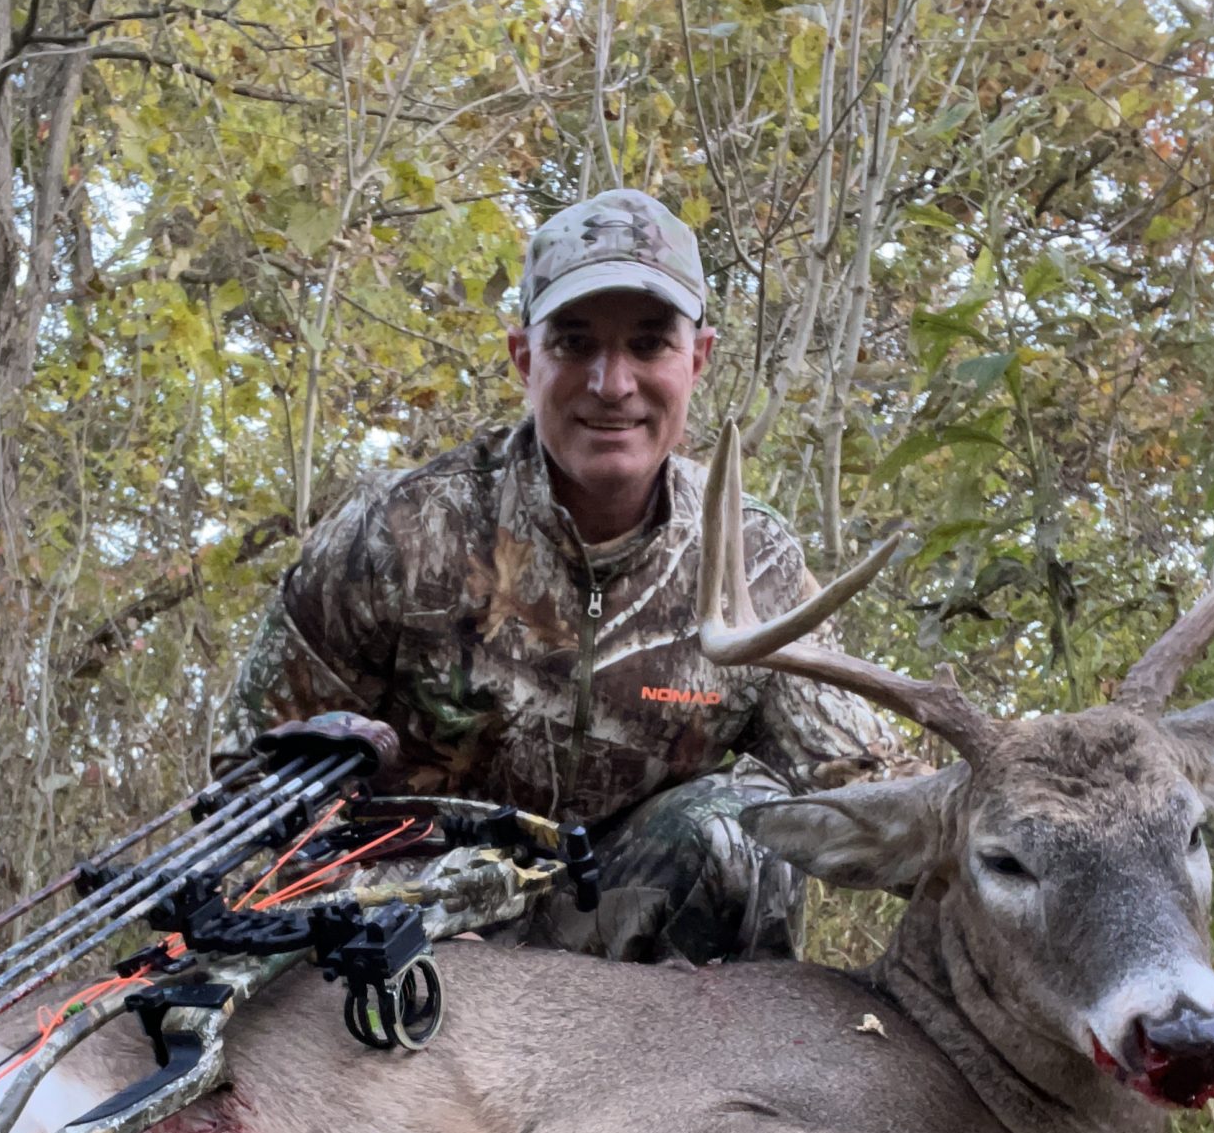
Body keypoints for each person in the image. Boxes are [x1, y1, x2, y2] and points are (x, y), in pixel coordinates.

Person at [228, 189, 896, 963]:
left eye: (649, 346)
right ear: (524, 358)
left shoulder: (753, 562)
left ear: (699, 359)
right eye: (575, 345)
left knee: (741, 824)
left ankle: (696, 1083)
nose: (612, 385)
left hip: (610, 943)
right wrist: (388, 902)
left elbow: (869, 793)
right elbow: (250, 778)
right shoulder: (400, 532)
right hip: (412, 933)